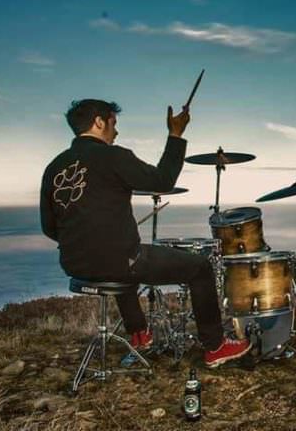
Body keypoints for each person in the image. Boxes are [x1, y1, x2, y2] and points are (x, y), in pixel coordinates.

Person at [40, 98, 250, 368]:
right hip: (117, 263)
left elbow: (49, 227)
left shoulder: (54, 167)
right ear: (99, 122)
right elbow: (162, 181)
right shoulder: (113, 156)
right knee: (199, 267)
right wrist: (175, 135)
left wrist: (87, 241)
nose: (116, 131)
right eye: (113, 123)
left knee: (117, 259)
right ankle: (216, 346)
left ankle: (139, 334)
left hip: (74, 265)